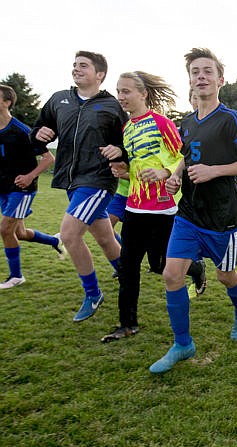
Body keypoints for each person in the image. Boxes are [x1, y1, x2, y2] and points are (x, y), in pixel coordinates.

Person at [148, 48, 237, 374]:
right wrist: (175, 176)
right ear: (190, 79)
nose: (201, 76)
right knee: (171, 274)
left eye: (207, 71)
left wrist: (213, 170)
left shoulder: (231, 119)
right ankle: (183, 344)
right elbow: (186, 155)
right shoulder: (186, 122)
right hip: (188, 212)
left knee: (226, 276)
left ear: (219, 79)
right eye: (195, 71)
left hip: (223, 217)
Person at [100, 71, 206, 343]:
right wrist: (122, 170)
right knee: (128, 266)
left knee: (161, 266)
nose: (121, 97)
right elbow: (135, 166)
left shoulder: (162, 124)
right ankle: (128, 324)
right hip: (134, 207)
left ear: (143, 93)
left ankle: (195, 269)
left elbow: (183, 157)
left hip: (162, 210)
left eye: (126, 91)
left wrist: (165, 173)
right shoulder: (126, 129)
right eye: (118, 91)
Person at [31, 51, 126, 321]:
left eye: (83, 66)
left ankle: (93, 294)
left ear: (100, 74)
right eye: (74, 65)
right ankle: (129, 279)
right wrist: (38, 135)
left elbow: (127, 144)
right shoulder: (59, 99)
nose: (76, 69)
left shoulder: (111, 105)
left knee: (70, 235)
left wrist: (119, 150)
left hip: (98, 180)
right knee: (106, 239)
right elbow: (38, 133)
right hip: (70, 181)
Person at [0, 84, 64, 289]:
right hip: (3, 189)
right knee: (20, 233)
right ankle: (54, 241)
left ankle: (16, 276)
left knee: (4, 229)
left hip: (22, 189)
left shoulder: (22, 131)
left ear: (7, 102)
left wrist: (29, 177)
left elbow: (48, 158)